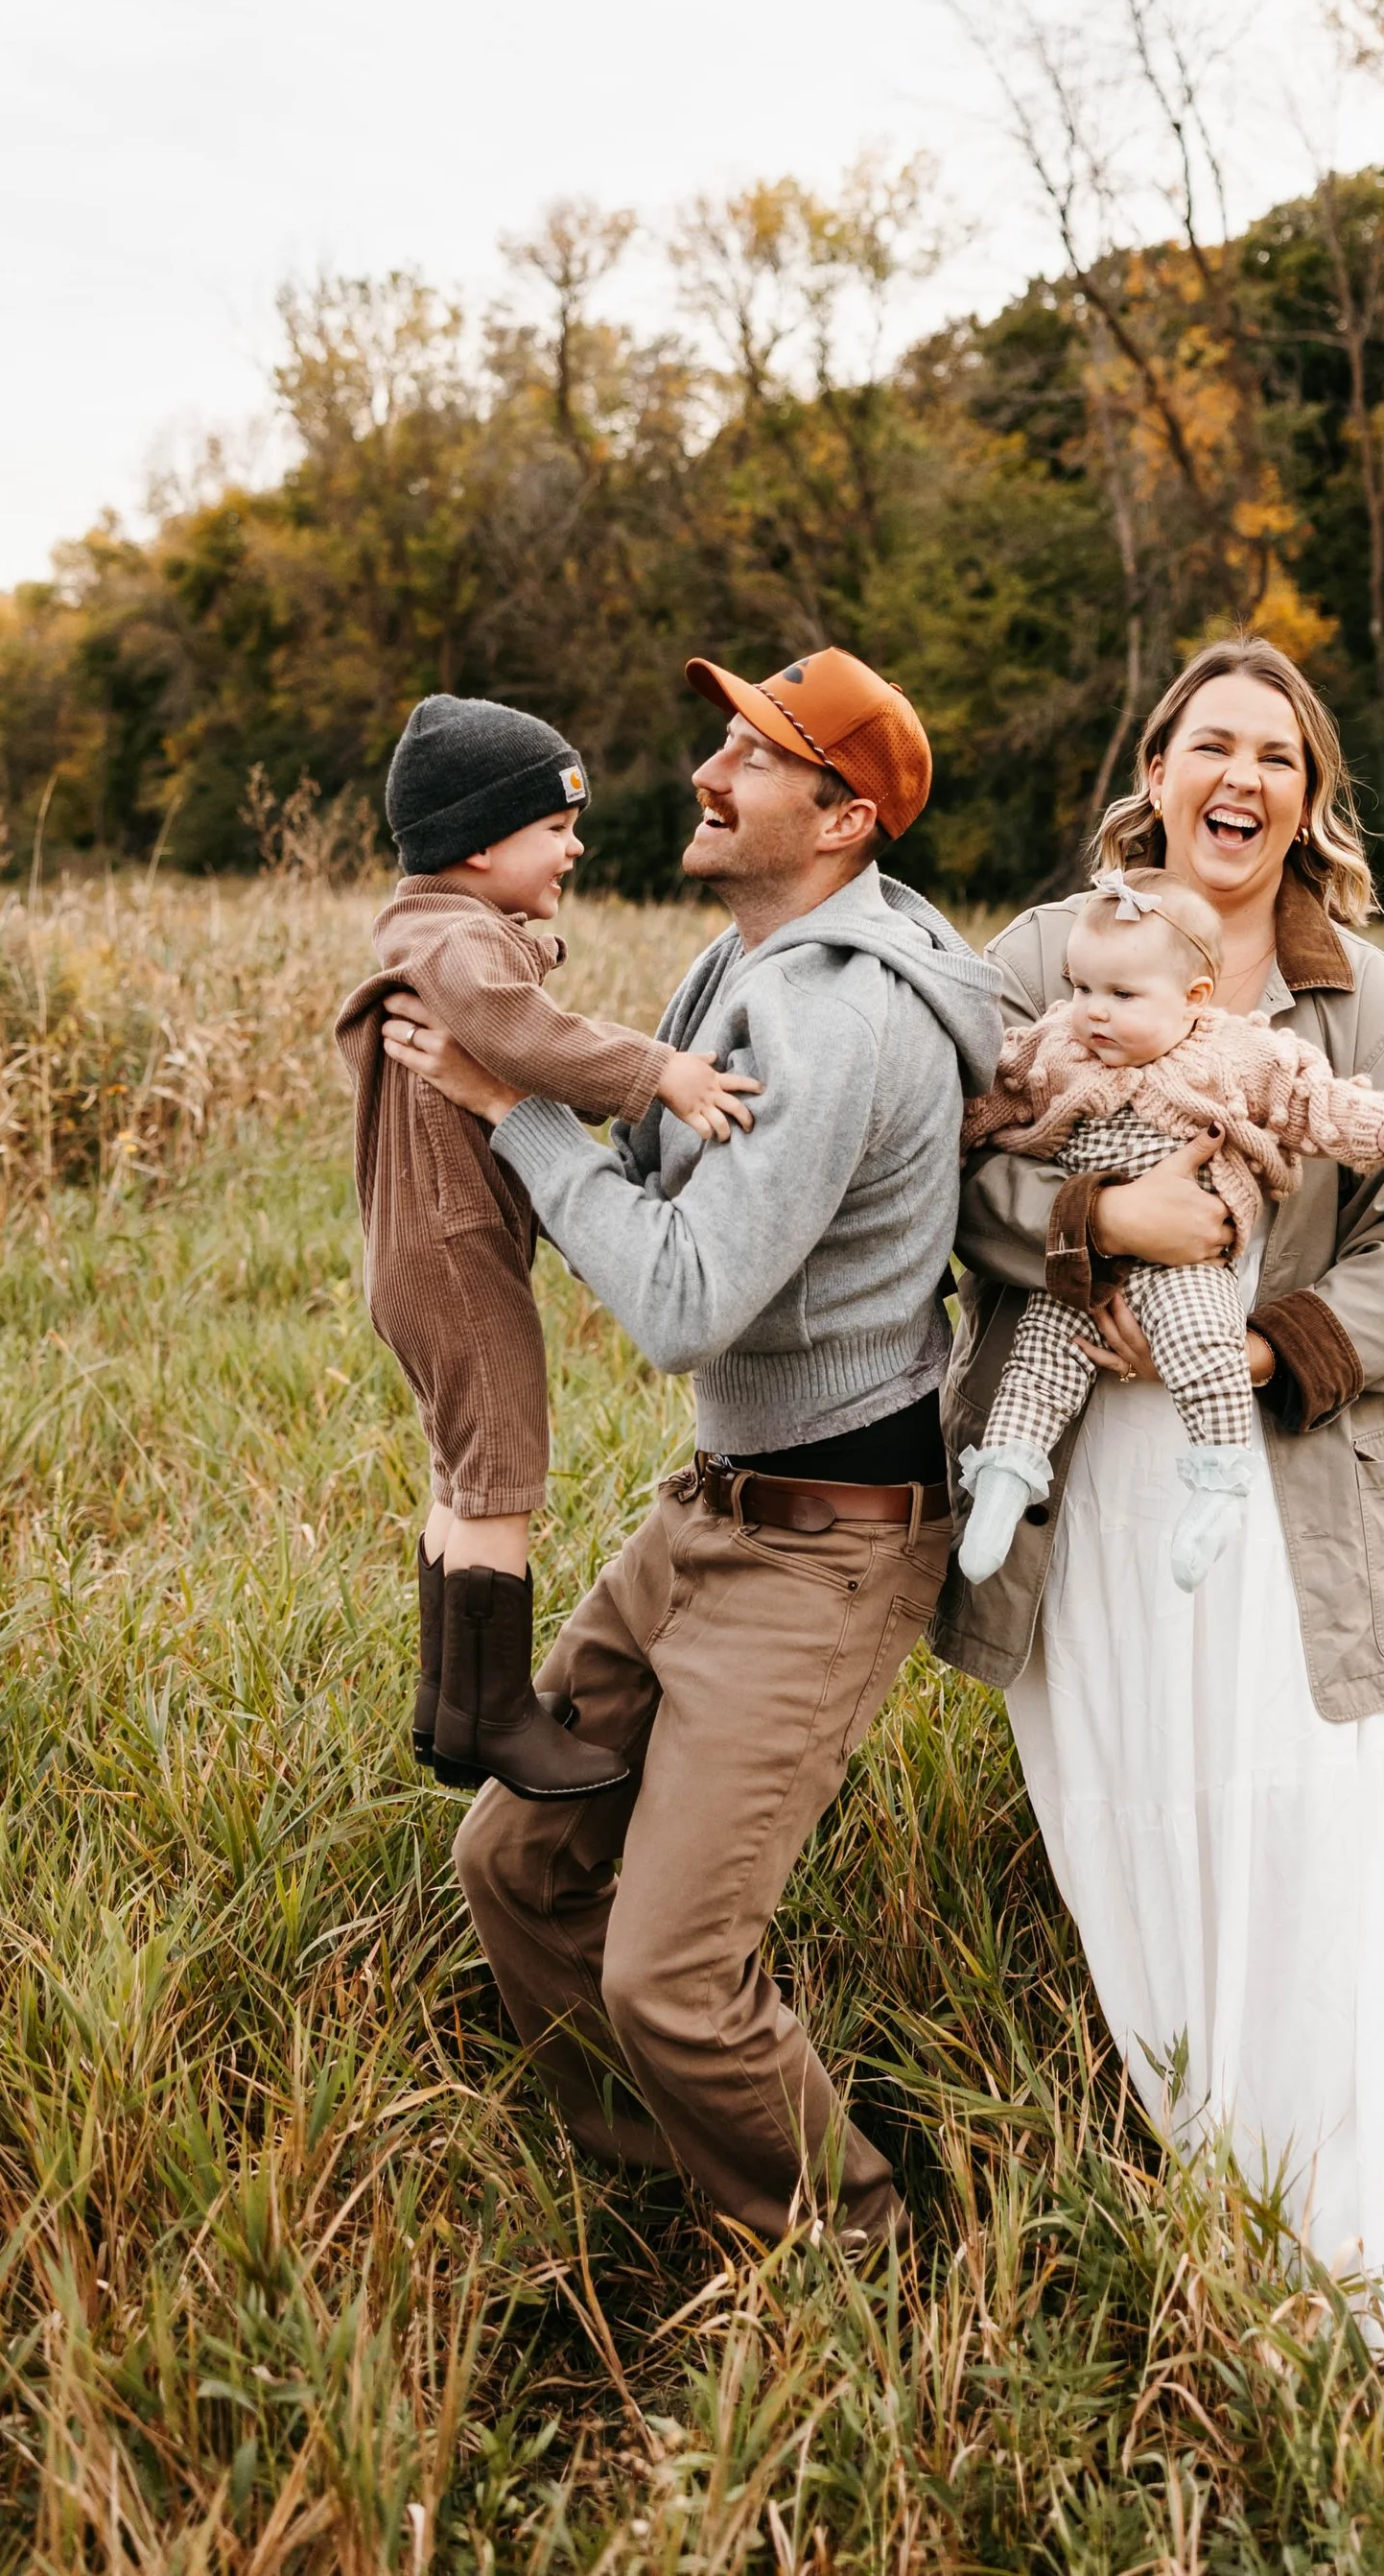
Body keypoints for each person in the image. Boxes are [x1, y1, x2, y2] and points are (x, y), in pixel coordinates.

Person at [934, 636, 1384, 2332]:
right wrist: (1095, 1228)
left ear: (1309, 796)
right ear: (1152, 772)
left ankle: (1353, 2209)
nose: (1239, 779)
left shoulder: (1370, 1001)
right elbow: (934, 1162)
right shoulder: (1043, 957)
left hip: (1277, 1488)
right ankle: (1215, 2167)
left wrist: (1271, 1344)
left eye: (1275, 758)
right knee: (1137, 1814)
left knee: (1307, 1823)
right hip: (1079, 1490)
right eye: (1210, 745)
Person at [381, 646, 1003, 2252]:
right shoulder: (737, 965)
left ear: (846, 817)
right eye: (722, 738)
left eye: (754, 756)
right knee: (517, 1866)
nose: (708, 773)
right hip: (714, 1510)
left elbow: (682, 1299)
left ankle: (851, 2250)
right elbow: (662, 1180)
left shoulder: (837, 1017)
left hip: (830, 1536)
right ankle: (671, 2185)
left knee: (671, 1973)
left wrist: (507, 1105)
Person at [335, 693, 760, 1800]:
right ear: (480, 843)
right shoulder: (461, 945)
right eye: (556, 828)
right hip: (455, 1249)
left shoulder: (434, 931)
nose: (576, 847)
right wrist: (654, 1072)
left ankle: (449, 1703)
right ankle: (490, 1716)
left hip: (423, 1253)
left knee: (463, 1471)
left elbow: (501, 993)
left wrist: (534, 939)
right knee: (503, 1472)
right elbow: (523, 1029)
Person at [955, 864, 1384, 1593]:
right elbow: (994, 1098)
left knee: (1205, 1348)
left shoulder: (1233, 1052)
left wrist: (1383, 1126)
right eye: (1081, 987)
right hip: (1081, 1262)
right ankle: (1004, 1476)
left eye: (1121, 996)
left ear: (1194, 998)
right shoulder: (1057, 1044)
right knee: (1040, 1356)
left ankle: (1216, 1482)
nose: (1093, 1013)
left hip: (1190, 1266)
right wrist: (947, 1128)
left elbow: (1310, 1101)